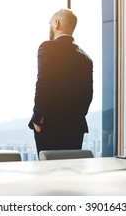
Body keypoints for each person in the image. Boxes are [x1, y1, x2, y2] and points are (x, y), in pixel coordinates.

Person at [28, 8, 93, 155]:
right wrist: (76, 117)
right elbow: (88, 95)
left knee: (49, 171)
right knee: (71, 172)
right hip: (75, 127)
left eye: (50, 23)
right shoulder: (86, 58)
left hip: (49, 124)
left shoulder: (47, 47)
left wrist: (38, 118)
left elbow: (43, 83)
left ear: (57, 23)